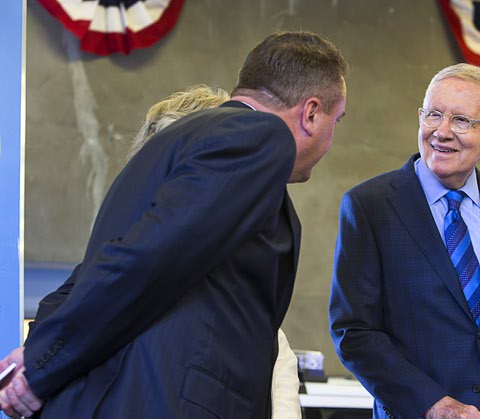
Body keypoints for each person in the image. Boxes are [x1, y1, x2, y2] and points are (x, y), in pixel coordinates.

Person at [0, 30, 348, 418]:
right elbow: (148, 257)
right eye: (338, 120)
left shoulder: (170, 144)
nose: (333, 138)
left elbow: (98, 269)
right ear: (312, 113)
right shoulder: (261, 137)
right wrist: (40, 370)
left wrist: (36, 356)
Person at [329, 63, 480, 418]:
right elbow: (354, 331)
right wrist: (433, 404)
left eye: (461, 120)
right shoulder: (369, 206)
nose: (441, 132)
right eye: (433, 115)